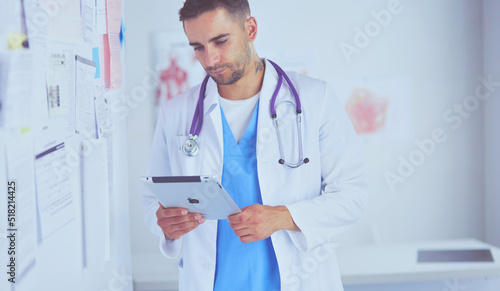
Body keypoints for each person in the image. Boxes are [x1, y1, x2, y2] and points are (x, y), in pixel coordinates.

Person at [141, 0, 368, 290]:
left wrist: (283, 217)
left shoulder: (315, 99)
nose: (210, 59)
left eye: (220, 41)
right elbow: (151, 199)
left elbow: (352, 195)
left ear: (250, 28)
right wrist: (165, 225)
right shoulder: (176, 113)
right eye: (197, 47)